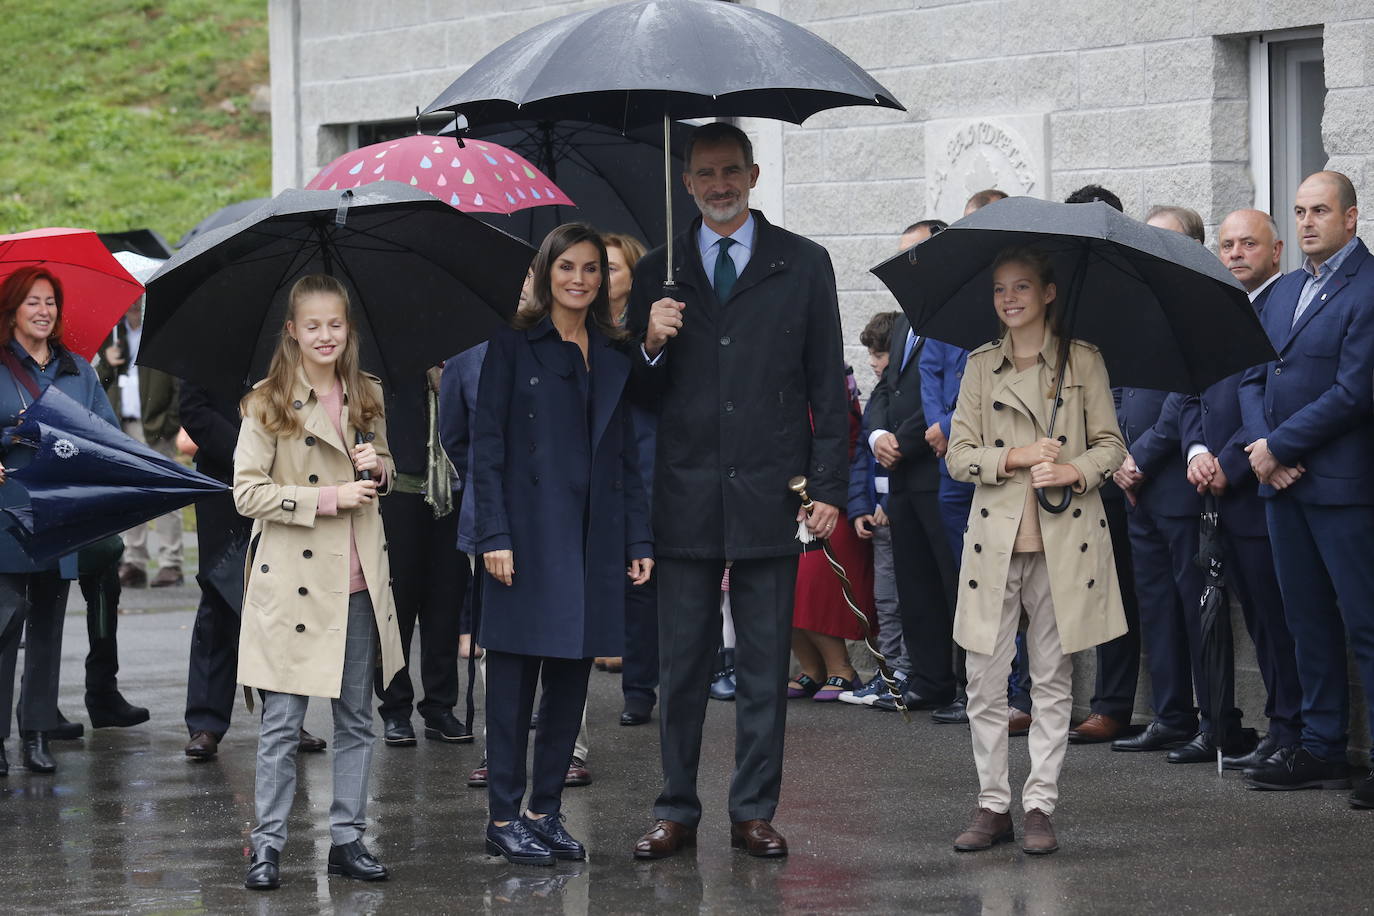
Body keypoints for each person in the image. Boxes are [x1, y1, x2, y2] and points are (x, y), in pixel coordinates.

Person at [629, 121, 847, 860]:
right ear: (686, 183)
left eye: (731, 171)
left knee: (762, 665)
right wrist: (650, 343)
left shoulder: (805, 263)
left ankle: (753, 809)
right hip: (684, 497)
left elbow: (827, 384)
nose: (718, 185)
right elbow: (636, 397)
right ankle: (676, 808)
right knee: (682, 666)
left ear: (753, 176)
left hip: (772, 496)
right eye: (704, 174)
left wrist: (828, 486)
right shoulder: (660, 271)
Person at [472, 223, 652, 865]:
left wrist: (638, 535)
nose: (580, 279)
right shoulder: (513, 344)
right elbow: (487, 447)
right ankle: (502, 814)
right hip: (524, 534)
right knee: (515, 682)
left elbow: (626, 455)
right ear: (547, 272)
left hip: (593, 535)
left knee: (572, 682)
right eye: (568, 267)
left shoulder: (612, 351)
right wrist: (492, 533)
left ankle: (544, 811)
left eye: (592, 269)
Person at [947, 245, 1126, 856]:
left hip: (1062, 541)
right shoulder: (979, 366)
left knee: (1052, 678)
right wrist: (1016, 458)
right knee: (984, 680)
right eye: (1000, 289)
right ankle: (992, 803)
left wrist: (1073, 470)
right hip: (994, 543)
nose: (1009, 299)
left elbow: (1110, 444)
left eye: (1022, 287)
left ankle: (1040, 803)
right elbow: (958, 455)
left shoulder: (1083, 362)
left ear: (1048, 293)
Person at [235, 274, 403, 890]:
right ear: (292, 332)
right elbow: (246, 492)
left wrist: (377, 467)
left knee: (357, 717)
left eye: (335, 324)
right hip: (293, 586)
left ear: (348, 329)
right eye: (313, 326)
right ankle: (270, 843)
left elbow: (385, 471)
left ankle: (349, 839)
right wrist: (330, 496)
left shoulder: (367, 395)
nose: (325, 335)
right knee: (282, 721)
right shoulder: (267, 402)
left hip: (357, 581)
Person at [1238, 171, 1374, 807]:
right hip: (1281, 486)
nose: (1308, 222)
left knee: (1365, 625)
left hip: (1342, 490)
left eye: (1320, 210)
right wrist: (1264, 451)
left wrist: (1279, 447)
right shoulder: (1286, 288)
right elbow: (1250, 378)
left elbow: (1355, 391)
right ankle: (1322, 750)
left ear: (1350, 218)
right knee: (1306, 623)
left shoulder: (1368, 287)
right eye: (1298, 211)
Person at [1111, 205, 1248, 761]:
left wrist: (1139, 456)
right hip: (1134, 490)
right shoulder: (1140, 309)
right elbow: (1118, 390)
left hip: (1175, 485)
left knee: (1199, 612)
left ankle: (1216, 721)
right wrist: (1117, 455)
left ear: (1191, 246)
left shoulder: (1199, 304)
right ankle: (1171, 716)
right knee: (1156, 610)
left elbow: (1181, 398)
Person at [1178, 208, 1303, 770]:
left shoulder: (1286, 305)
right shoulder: (1217, 313)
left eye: (1248, 244)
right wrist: (1198, 452)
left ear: (1276, 252)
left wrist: (1229, 459)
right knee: (1251, 614)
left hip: (1258, 487)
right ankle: (1272, 727)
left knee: (1276, 617)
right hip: (1215, 488)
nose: (1235, 254)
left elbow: (1265, 398)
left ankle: (1289, 728)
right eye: (1227, 244)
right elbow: (1190, 393)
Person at [0, 267, 121, 775]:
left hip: (60, 514)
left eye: (50, 302)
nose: (44, 311)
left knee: (49, 626)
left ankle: (36, 734)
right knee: (5, 625)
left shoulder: (79, 371)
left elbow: (109, 435)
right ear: (12, 310)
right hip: (7, 509)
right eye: (32, 302)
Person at [181, 379, 327, 760]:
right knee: (220, 595)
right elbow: (194, 411)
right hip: (221, 482)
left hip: (284, 482)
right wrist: (250, 449)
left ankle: (285, 719)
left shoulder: (289, 342)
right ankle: (206, 723)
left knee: (282, 596)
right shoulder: (204, 337)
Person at [865, 220, 960, 715]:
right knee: (915, 585)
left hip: (937, 470)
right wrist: (878, 434)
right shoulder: (904, 320)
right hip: (902, 476)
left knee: (952, 583)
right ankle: (929, 680)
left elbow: (942, 396)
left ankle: (965, 683)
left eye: (916, 254)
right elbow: (885, 390)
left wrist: (901, 442)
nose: (907, 264)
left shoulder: (959, 314)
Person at [1060, 184, 1142, 745]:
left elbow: (1140, 388)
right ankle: (1053, 697)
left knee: (1117, 590)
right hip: (1064, 468)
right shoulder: (1060, 300)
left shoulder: (1133, 300)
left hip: (1119, 466)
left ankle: (1112, 704)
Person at [374, 366, 470, 747]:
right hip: (398, 489)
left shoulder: (463, 352)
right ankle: (395, 709)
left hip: (455, 489)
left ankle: (440, 706)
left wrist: (450, 382)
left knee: (445, 603)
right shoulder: (386, 353)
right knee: (396, 605)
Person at [788, 365, 875, 702]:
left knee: (808, 582)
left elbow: (841, 441)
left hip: (834, 498)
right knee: (781, 582)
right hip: (788, 498)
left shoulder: (832, 380)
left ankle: (842, 669)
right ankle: (812, 669)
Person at [604, 232, 659, 726]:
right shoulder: (580, 327)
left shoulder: (649, 329)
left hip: (646, 462)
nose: (599, 276)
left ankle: (640, 688)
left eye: (611, 268)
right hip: (600, 464)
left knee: (643, 578)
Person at [842, 311, 909, 707]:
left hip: (901, 514)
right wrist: (860, 506)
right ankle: (891, 671)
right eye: (869, 354)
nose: (872, 361)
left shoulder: (907, 397)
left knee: (906, 598)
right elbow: (861, 459)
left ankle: (905, 670)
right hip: (879, 521)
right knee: (885, 599)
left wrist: (888, 502)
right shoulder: (878, 400)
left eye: (879, 353)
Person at [95, 299, 184, 588]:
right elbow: (98, 384)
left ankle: (171, 563)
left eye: (138, 298)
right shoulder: (113, 336)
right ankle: (134, 561)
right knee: (130, 495)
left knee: (165, 493)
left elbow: (178, 382)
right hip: (124, 424)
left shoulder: (161, 332)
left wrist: (170, 425)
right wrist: (108, 361)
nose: (133, 305)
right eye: (129, 300)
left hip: (156, 426)